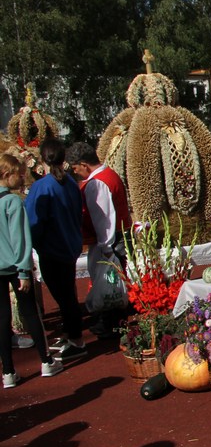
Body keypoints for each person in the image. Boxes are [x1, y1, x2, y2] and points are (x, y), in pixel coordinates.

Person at [0, 154, 63, 388]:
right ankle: (46, 360)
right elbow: (20, 239)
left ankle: (7, 371)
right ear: (7, 175)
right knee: (30, 313)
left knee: (2, 318)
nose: (23, 177)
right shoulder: (13, 202)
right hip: (15, 267)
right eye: (19, 173)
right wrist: (25, 271)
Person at [25, 139, 86, 360]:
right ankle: (72, 333)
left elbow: (34, 220)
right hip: (69, 245)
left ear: (43, 159)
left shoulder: (42, 186)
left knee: (64, 296)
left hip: (51, 248)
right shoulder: (70, 183)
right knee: (67, 292)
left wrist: (32, 244)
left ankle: (77, 340)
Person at [67, 141, 132, 339]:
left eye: (75, 168)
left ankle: (111, 324)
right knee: (114, 281)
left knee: (108, 281)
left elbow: (103, 219)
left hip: (109, 241)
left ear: (84, 164)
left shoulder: (97, 183)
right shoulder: (109, 174)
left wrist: (106, 247)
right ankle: (115, 321)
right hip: (117, 237)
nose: (76, 172)